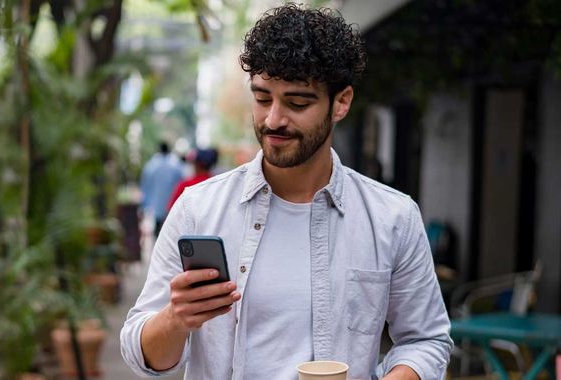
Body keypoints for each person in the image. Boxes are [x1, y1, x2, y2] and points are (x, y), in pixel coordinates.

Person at [121, 4, 452, 380]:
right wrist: (175, 319)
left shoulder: (392, 217)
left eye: (297, 103)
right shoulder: (199, 208)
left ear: (341, 102)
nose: (273, 119)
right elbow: (143, 355)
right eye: (263, 98)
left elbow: (426, 340)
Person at [139, 142, 184, 236]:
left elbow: (145, 185)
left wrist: (144, 204)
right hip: (172, 205)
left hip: (156, 205)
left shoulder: (151, 165)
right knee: (171, 232)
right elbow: (181, 183)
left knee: (158, 231)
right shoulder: (176, 165)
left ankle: (157, 248)